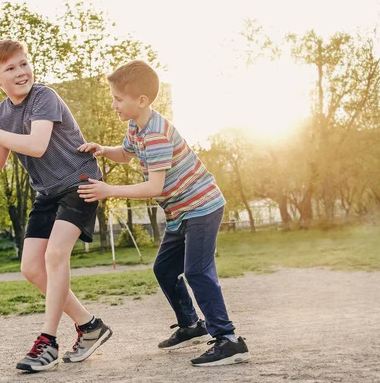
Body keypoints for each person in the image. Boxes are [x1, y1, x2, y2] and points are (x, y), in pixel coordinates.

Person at [0, 40, 112, 372]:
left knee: (55, 256)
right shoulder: (1, 113)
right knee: (31, 268)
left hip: (79, 181)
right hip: (48, 192)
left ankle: (47, 343)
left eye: (24, 63)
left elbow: (37, 145)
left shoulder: (44, 96)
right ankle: (90, 326)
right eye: (10, 68)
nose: (21, 71)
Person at [77, 60, 250, 366]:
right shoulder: (137, 126)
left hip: (201, 207)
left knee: (196, 270)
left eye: (118, 99)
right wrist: (102, 149)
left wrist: (110, 190)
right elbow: (127, 154)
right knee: (165, 269)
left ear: (141, 101)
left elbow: (154, 186)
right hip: (181, 212)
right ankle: (191, 325)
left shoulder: (156, 133)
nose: (113, 104)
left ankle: (228, 339)